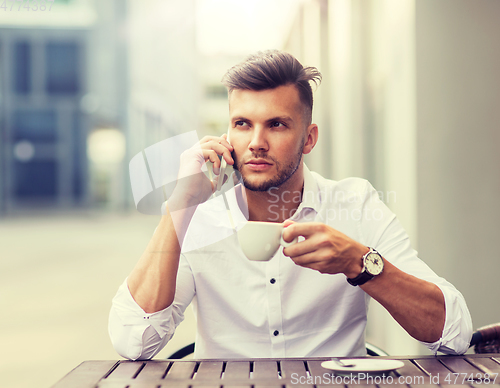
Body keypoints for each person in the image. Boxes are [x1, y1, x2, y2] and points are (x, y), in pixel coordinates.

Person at [109, 50, 472, 360]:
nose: (256, 142)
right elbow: (133, 342)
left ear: (308, 139)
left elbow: (454, 333)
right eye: (242, 124)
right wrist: (181, 203)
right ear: (227, 135)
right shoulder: (198, 219)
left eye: (277, 124)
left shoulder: (355, 204)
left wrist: (358, 263)